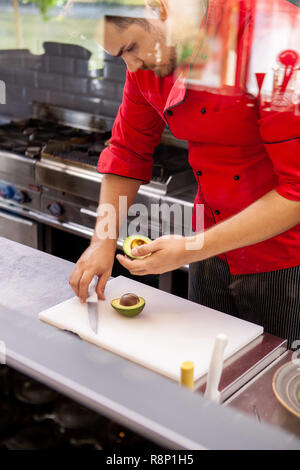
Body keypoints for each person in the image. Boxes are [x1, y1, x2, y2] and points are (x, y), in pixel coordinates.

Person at [69, 0, 300, 347]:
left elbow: (297, 190)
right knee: (203, 370)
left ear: (156, 7)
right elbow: (128, 151)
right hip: (207, 246)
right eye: (121, 55)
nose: (132, 65)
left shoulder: (276, 39)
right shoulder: (152, 57)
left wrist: (192, 248)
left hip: (284, 261)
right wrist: (102, 239)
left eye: (131, 47)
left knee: (269, 385)